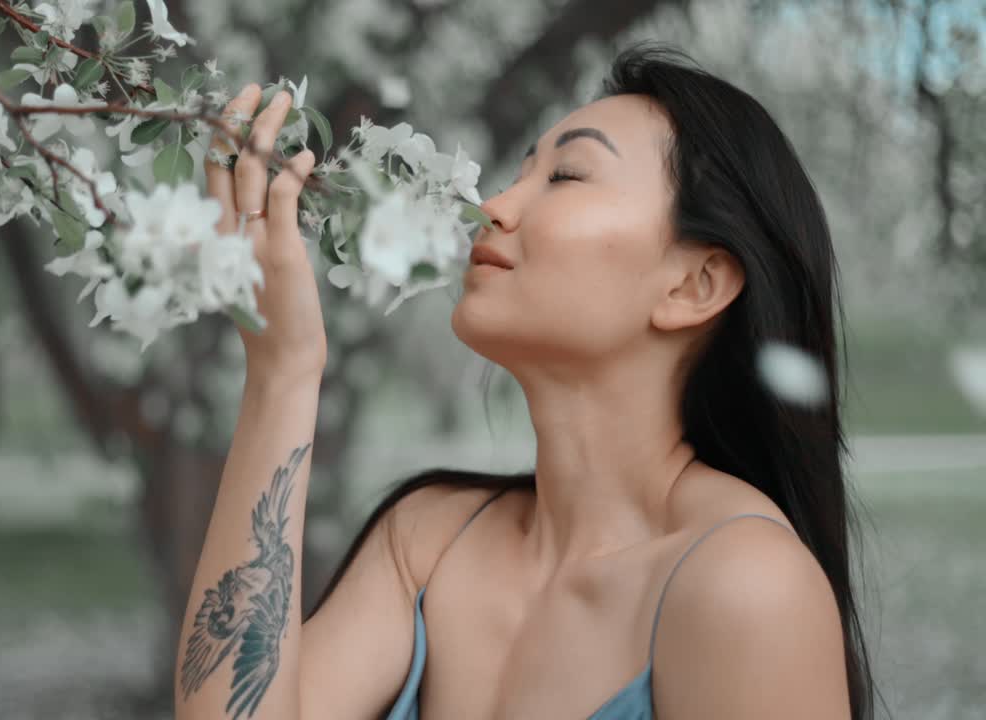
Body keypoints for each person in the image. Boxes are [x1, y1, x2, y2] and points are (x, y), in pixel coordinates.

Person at [174, 42, 878, 720]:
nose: (493, 208)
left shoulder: (744, 586)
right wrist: (283, 370)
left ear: (694, 285)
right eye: (518, 174)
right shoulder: (427, 540)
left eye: (566, 178)